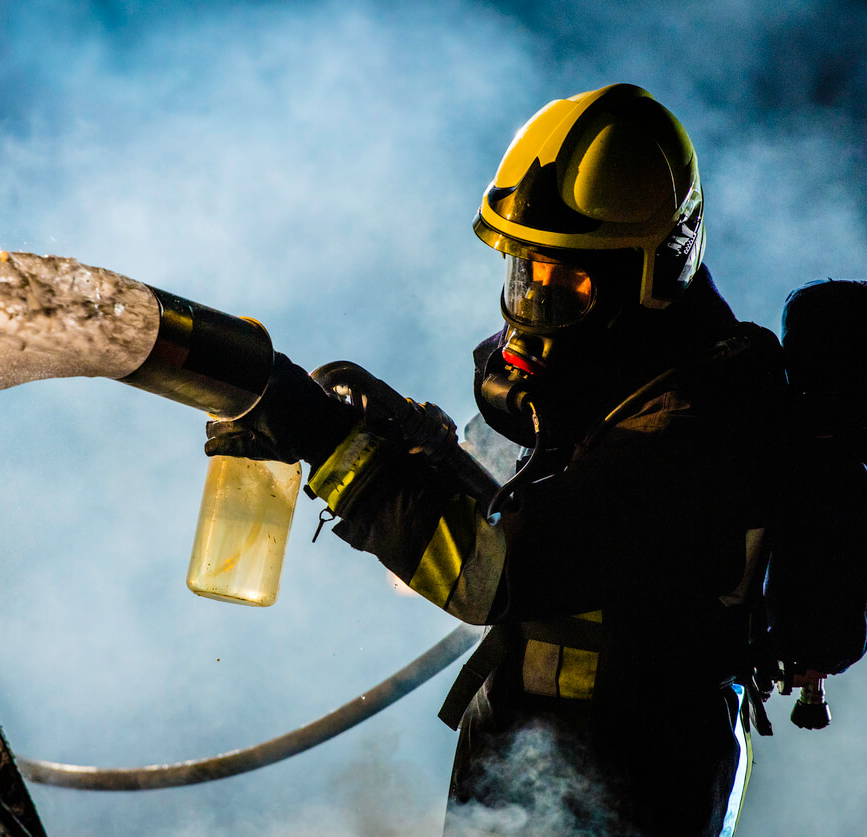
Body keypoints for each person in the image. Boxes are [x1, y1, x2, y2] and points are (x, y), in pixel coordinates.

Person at [205, 83, 786, 836]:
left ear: (651, 272)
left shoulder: (692, 427)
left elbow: (491, 571)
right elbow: (486, 529)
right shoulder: (612, 384)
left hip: (630, 783)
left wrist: (328, 442)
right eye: (525, 273)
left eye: (565, 282)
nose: (533, 307)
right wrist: (383, 444)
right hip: (531, 757)